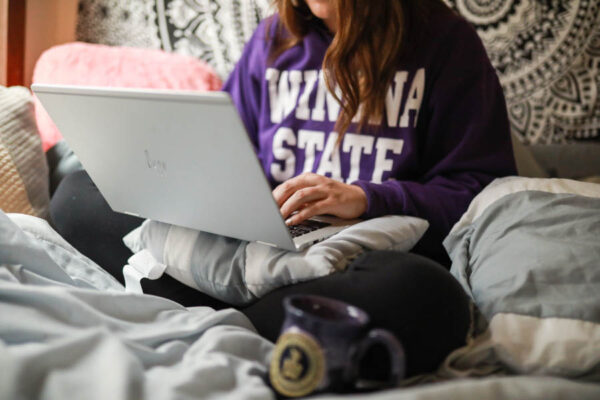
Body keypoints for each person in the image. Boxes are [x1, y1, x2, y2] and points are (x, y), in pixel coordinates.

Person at [50, 0, 516, 378]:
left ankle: (200, 312)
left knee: (428, 298)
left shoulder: (445, 42)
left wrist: (368, 199)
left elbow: (479, 189)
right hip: (257, 244)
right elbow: (223, 151)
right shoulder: (273, 39)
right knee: (77, 193)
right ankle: (280, 325)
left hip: (350, 259)